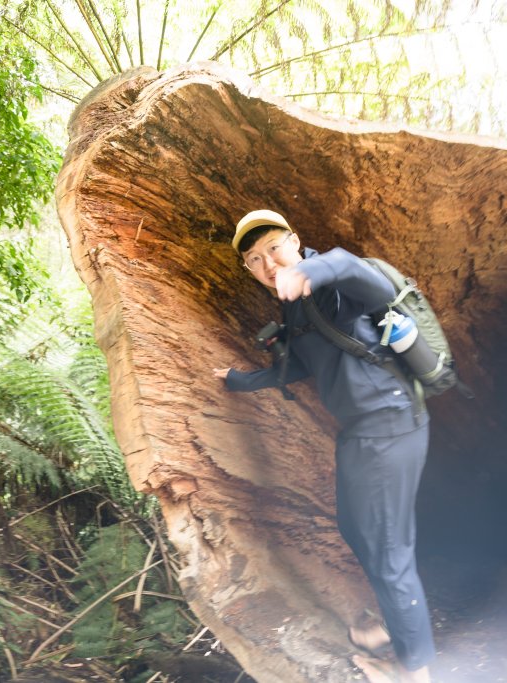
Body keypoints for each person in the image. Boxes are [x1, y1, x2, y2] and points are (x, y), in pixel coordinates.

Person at [211, 209, 434, 683]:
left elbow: (367, 278)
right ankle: (385, 635)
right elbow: (298, 365)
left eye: (273, 247)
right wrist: (239, 381)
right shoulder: (292, 308)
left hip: (392, 423)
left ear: (295, 240)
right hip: (359, 432)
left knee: (391, 551)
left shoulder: (331, 281)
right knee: (357, 529)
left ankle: (415, 670)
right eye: (254, 259)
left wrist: (312, 269)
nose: (268, 264)